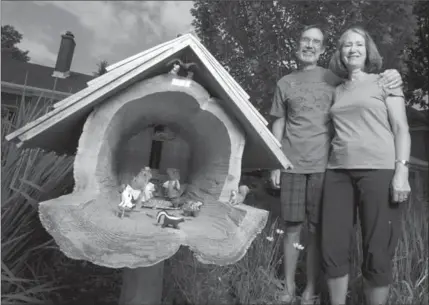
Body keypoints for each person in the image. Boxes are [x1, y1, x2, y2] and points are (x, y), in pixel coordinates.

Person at [269, 24, 403, 304]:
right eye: (305, 39)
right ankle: (305, 291)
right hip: (316, 167)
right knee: (311, 234)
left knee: (349, 239)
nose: (309, 45)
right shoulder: (307, 85)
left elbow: (394, 123)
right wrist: (274, 161)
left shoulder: (357, 81)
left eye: (316, 41)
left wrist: (391, 73)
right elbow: (282, 122)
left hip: (350, 168)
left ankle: (314, 290)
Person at [320, 26, 411, 305]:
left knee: (377, 248)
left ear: (367, 50)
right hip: (337, 172)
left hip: (379, 171)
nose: (352, 49)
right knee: (332, 245)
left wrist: (402, 172)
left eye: (358, 44)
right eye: (346, 45)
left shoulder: (385, 82)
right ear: (340, 53)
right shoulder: (336, 90)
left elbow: (401, 128)